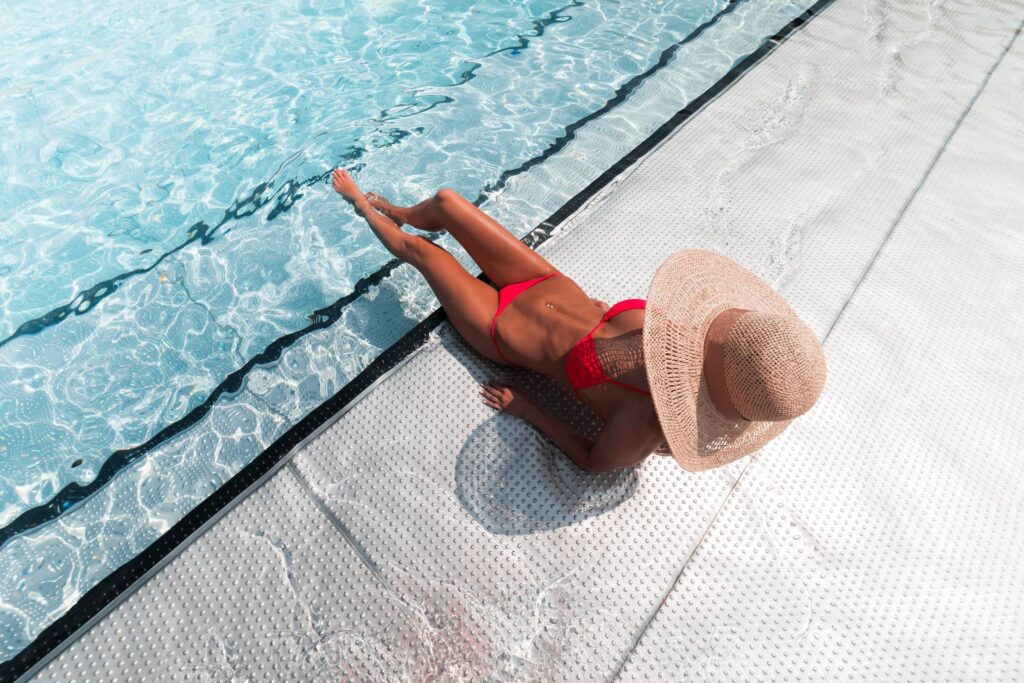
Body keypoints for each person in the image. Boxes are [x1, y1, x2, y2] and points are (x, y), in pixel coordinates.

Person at [330, 168, 827, 473]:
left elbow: (593, 461)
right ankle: (396, 209)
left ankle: (359, 206)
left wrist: (527, 409)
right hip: (543, 280)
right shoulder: (684, 335)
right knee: (446, 203)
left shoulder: (643, 424)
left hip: (500, 328)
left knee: (421, 252)